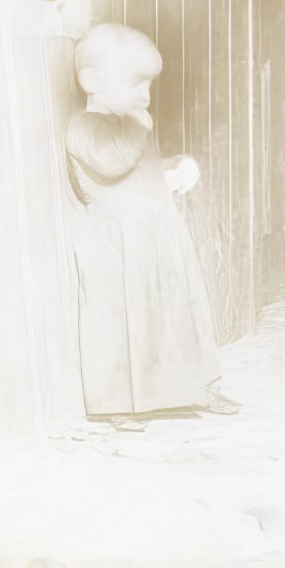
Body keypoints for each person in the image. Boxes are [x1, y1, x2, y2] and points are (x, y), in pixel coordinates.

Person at [64, 23, 235, 423]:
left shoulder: (129, 124)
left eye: (149, 85)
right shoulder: (86, 127)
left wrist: (170, 170)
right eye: (136, 83)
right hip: (117, 246)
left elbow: (139, 169)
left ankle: (195, 386)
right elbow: (113, 161)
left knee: (178, 312)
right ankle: (114, 404)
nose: (146, 95)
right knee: (117, 322)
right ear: (91, 81)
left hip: (157, 238)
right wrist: (140, 126)